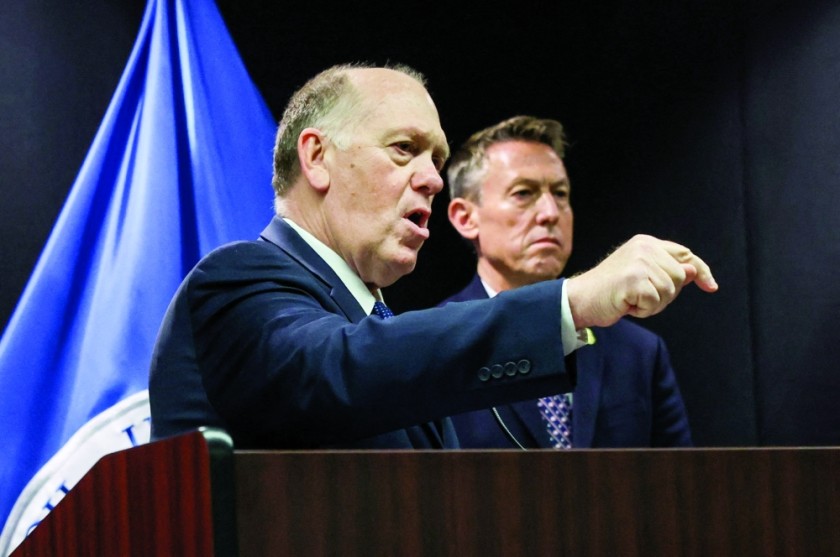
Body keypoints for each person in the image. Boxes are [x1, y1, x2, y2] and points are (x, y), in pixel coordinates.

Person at [148, 63, 717, 450]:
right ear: (317, 157)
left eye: (437, 160)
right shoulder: (234, 282)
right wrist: (571, 303)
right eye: (404, 149)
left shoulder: (379, 322)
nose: (432, 180)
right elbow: (339, 368)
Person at [443, 115, 693, 449]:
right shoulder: (440, 347)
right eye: (523, 193)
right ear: (465, 217)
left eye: (560, 193)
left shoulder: (638, 352)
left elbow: (680, 478)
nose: (550, 212)